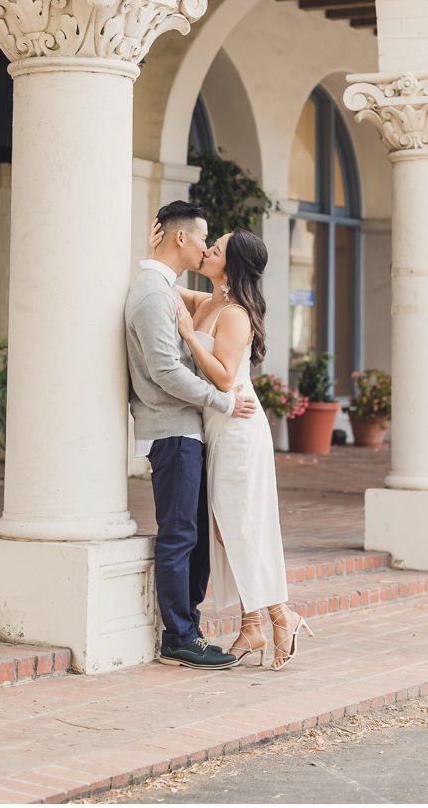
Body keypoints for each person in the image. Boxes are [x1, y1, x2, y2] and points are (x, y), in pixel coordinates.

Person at [167, 227, 313, 669]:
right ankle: (252, 625)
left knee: (239, 525)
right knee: (223, 527)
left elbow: (226, 379)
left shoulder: (234, 314)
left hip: (237, 430)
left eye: (217, 248)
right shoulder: (209, 300)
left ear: (232, 265)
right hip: (218, 429)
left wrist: (191, 337)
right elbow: (168, 287)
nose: (208, 250)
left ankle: (278, 614)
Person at [124, 200, 258, 668]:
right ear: (181, 238)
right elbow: (164, 371)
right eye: (203, 238)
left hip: (188, 429)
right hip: (173, 429)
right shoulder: (151, 293)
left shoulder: (163, 287)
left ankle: (189, 630)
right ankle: (178, 639)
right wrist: (223, 400)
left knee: (194, 534)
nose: (206, 247)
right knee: (180, 535)